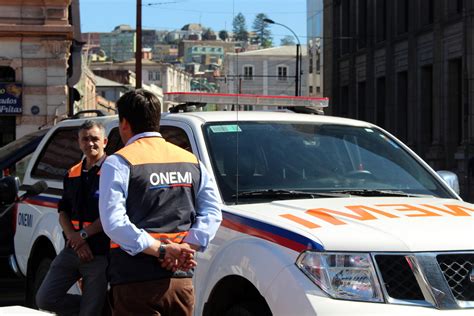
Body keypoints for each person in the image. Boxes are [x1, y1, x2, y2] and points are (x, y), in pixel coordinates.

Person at [99, 89, 222, 316]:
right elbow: (213, 212)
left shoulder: (119, 162)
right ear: (157, 120)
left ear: (124, 123)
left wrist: (163, 251)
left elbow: (114, 223)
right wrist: (186, 248)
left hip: (135, 281)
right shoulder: (190, 161)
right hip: (180, 282)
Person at [36, 120, 110, 315]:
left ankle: (95, 308)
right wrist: (75, 240)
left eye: (94, 139)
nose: (90, 143)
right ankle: (102, 309)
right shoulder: (72, 173)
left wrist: (83, 236)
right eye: (85, 139)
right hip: (73, 249)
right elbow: (63, 212)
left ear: (105, 141)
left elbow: (112, 216)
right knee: (45, 299)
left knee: (90, 312)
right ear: (79, 143)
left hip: (100, 253)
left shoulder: (114, 171)